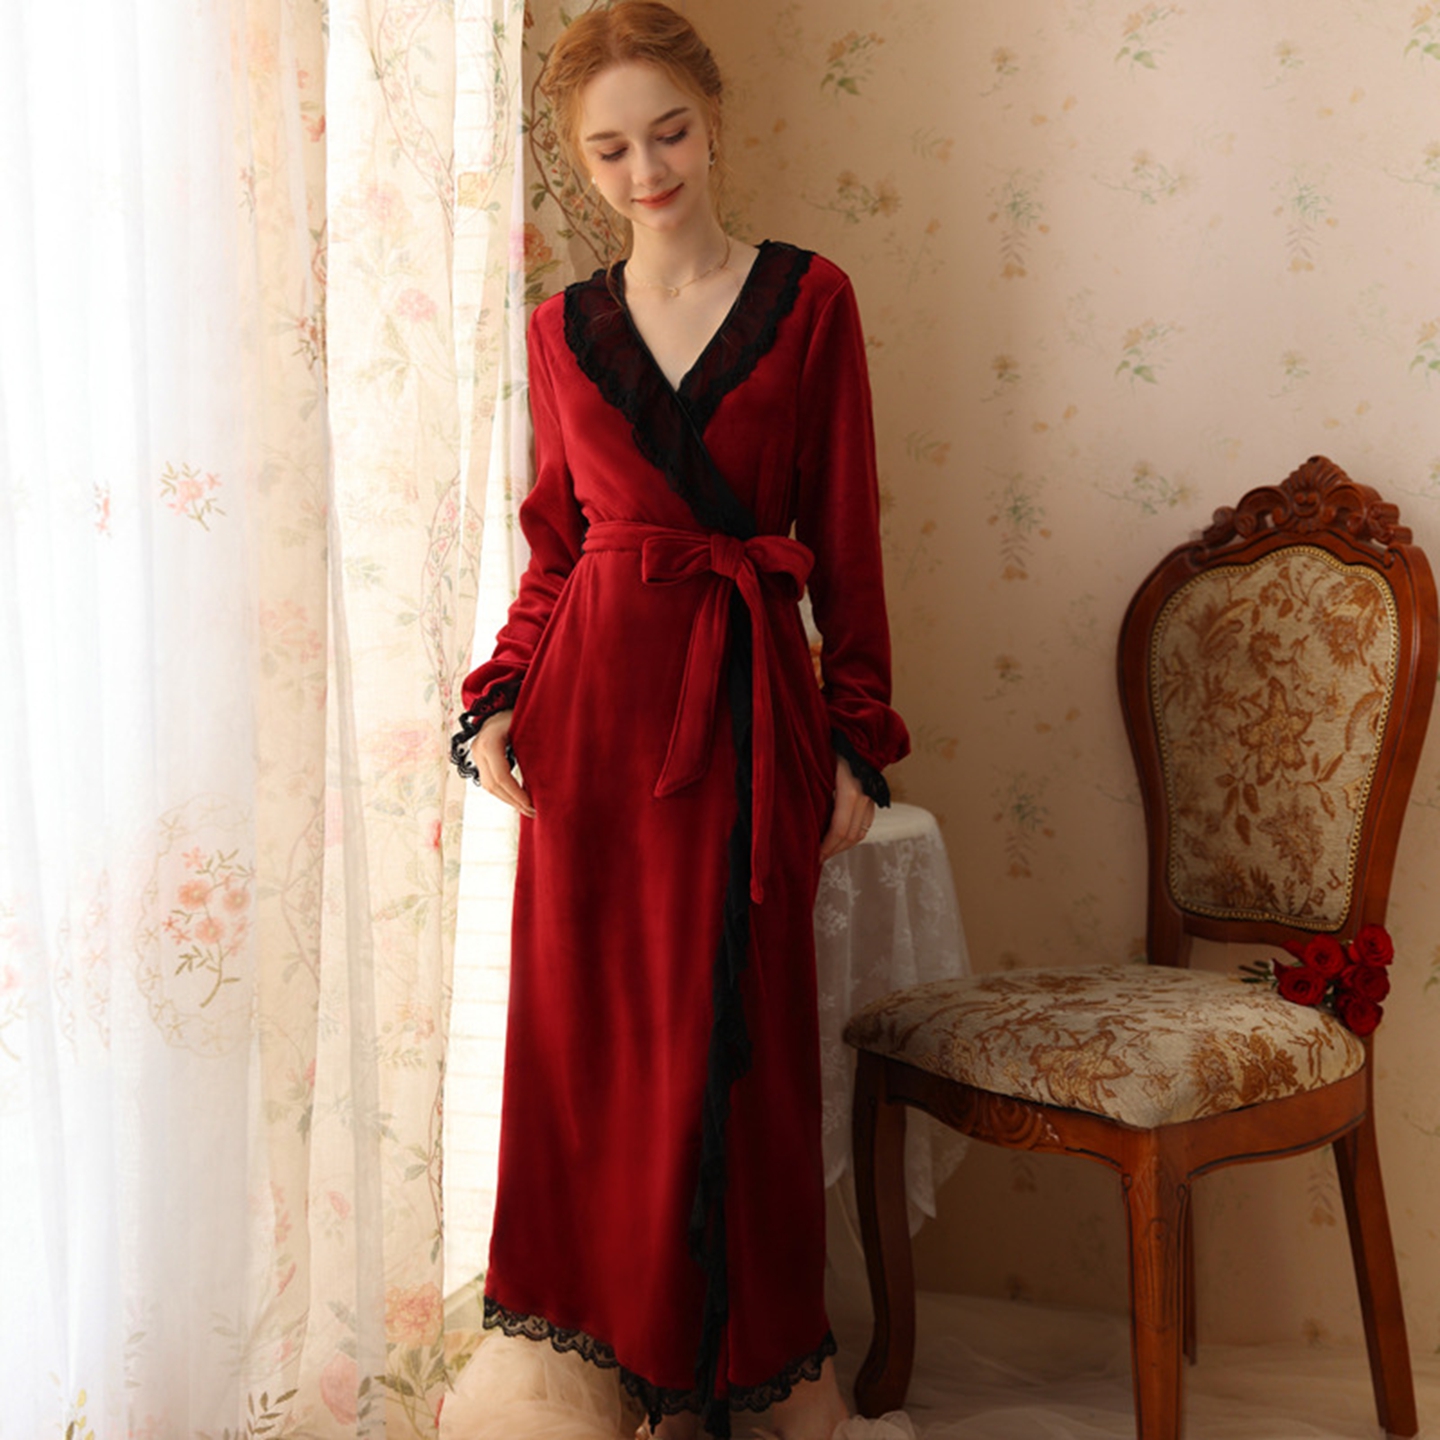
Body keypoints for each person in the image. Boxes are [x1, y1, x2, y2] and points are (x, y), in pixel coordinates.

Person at [451, 4, 909, 1436]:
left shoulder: (811, 298)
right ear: (578, 161)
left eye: (669, 134)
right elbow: (557, 547)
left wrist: (856, 736)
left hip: (749, 709)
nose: (646, 170)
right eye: (611, 150)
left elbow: (848, 537)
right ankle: (623, 1363)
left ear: (712, 122)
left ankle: (732, 1375)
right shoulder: (560, 329)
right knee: (593, 1050)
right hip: (590, 721)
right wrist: (497, 697)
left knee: (738, 1049)